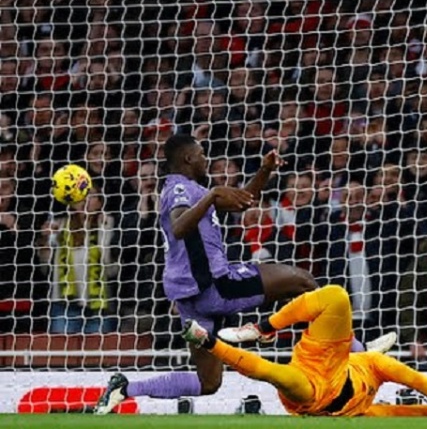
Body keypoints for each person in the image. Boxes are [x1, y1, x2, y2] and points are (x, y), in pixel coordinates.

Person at [95, 134, 319, 414]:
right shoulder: (179, 188)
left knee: (208, 382)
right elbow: (179, 226)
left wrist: (264, 170)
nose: (205, 159)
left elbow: (243, 201)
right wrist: (212, 195)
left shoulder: (192, 189)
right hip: (215, 286)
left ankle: (124, 389)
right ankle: (340, 350)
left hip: (192, 298)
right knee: (304, 281)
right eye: (201, 154)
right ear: (188, 158)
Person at [183, 285, 427, 417]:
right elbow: (410, 389)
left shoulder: (311, 388)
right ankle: (265, 328)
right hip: (331, 372)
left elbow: (260, 369)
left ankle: (254, 330)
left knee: (334, 300)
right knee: (337, 297)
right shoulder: (367, 367)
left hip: (324, 379)